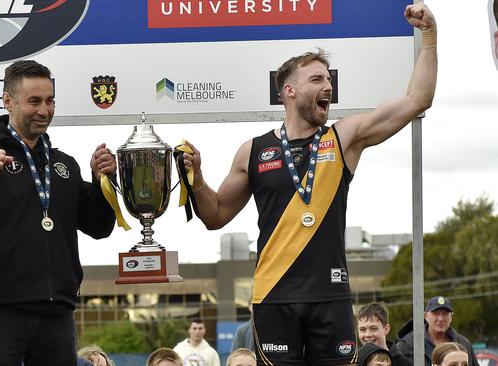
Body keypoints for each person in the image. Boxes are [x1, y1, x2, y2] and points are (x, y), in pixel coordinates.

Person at [183, 3, 437, 365]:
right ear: (288, 90)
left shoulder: (344, 137)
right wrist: (197, 179)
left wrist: (429, 37)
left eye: (329, 80)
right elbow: (216, 215)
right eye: (317, 79)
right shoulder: (252, 151)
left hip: (330, 296)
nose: (328, 86)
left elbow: (417, 99)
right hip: (273, 296)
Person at [0, 60, 117, 365]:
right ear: (8, 101)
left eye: (50, 100)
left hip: (57, 313)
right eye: (34, 101)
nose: (44, 110)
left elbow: (99, 226)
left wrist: (101, 183)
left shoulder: (63, 165)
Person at [392, 296, 479, 366]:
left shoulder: (463, 344)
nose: (440, 319)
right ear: (426, 316)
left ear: (451, 317)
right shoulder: (407, 345)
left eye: (445, 314)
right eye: (436, 313)